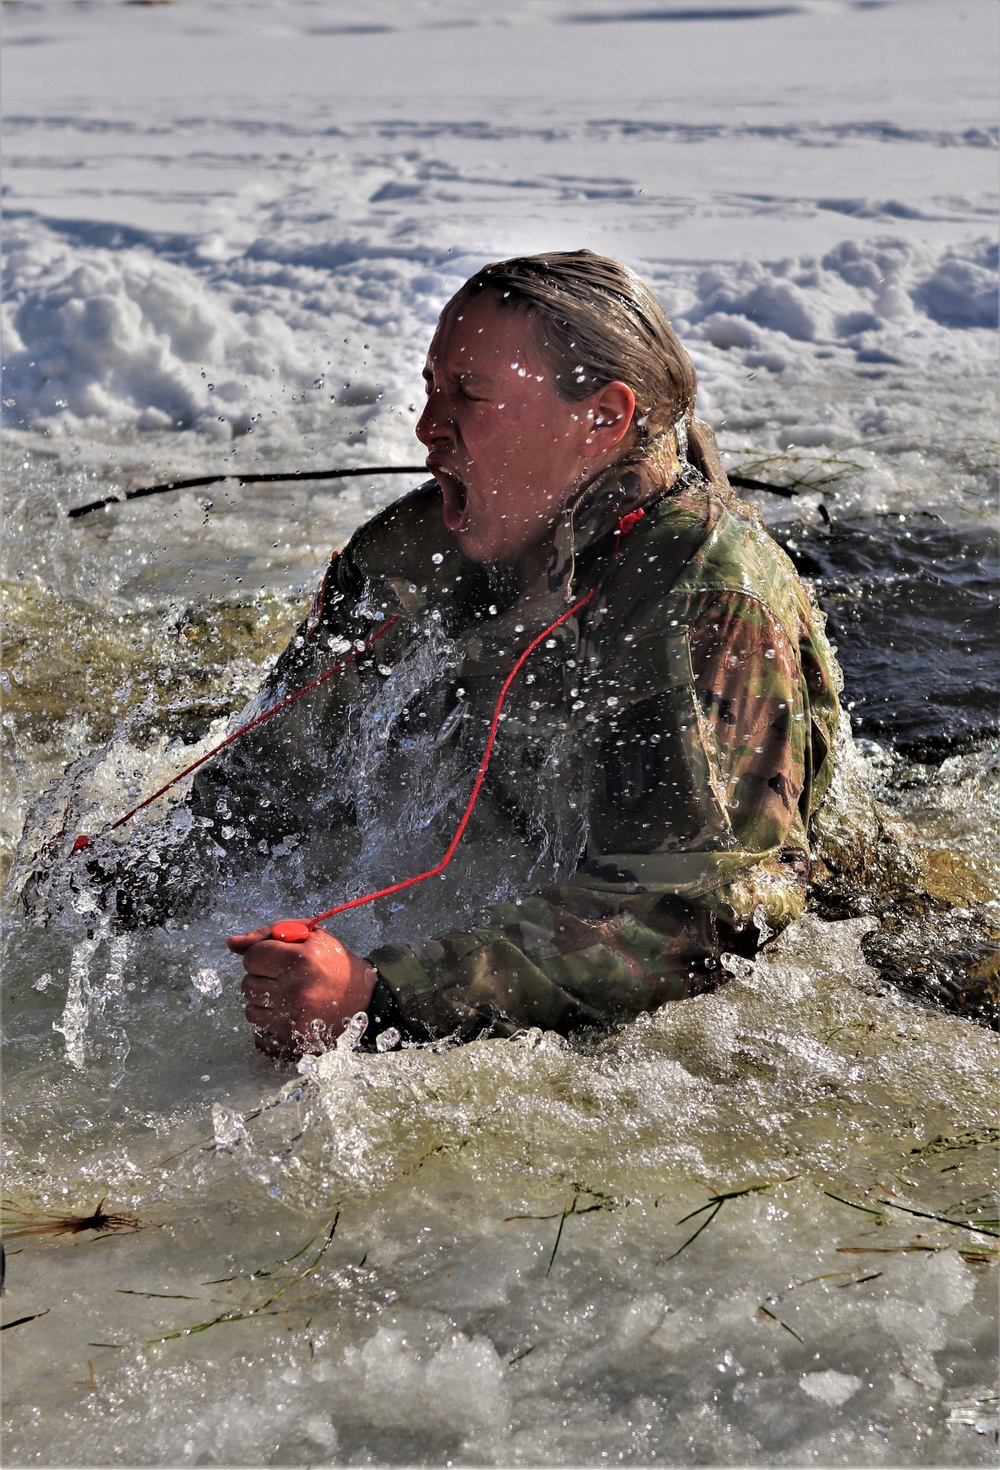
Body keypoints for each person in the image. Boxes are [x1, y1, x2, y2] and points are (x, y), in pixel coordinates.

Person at [222, 251, 841, 1059]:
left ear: (602, 420)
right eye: (431, 387)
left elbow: (694, 918)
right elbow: (271, 779)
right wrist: (124, 885)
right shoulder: (411, 559)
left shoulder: (705, 602)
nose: (426, 427)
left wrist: (382, 998)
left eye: (470, 395)